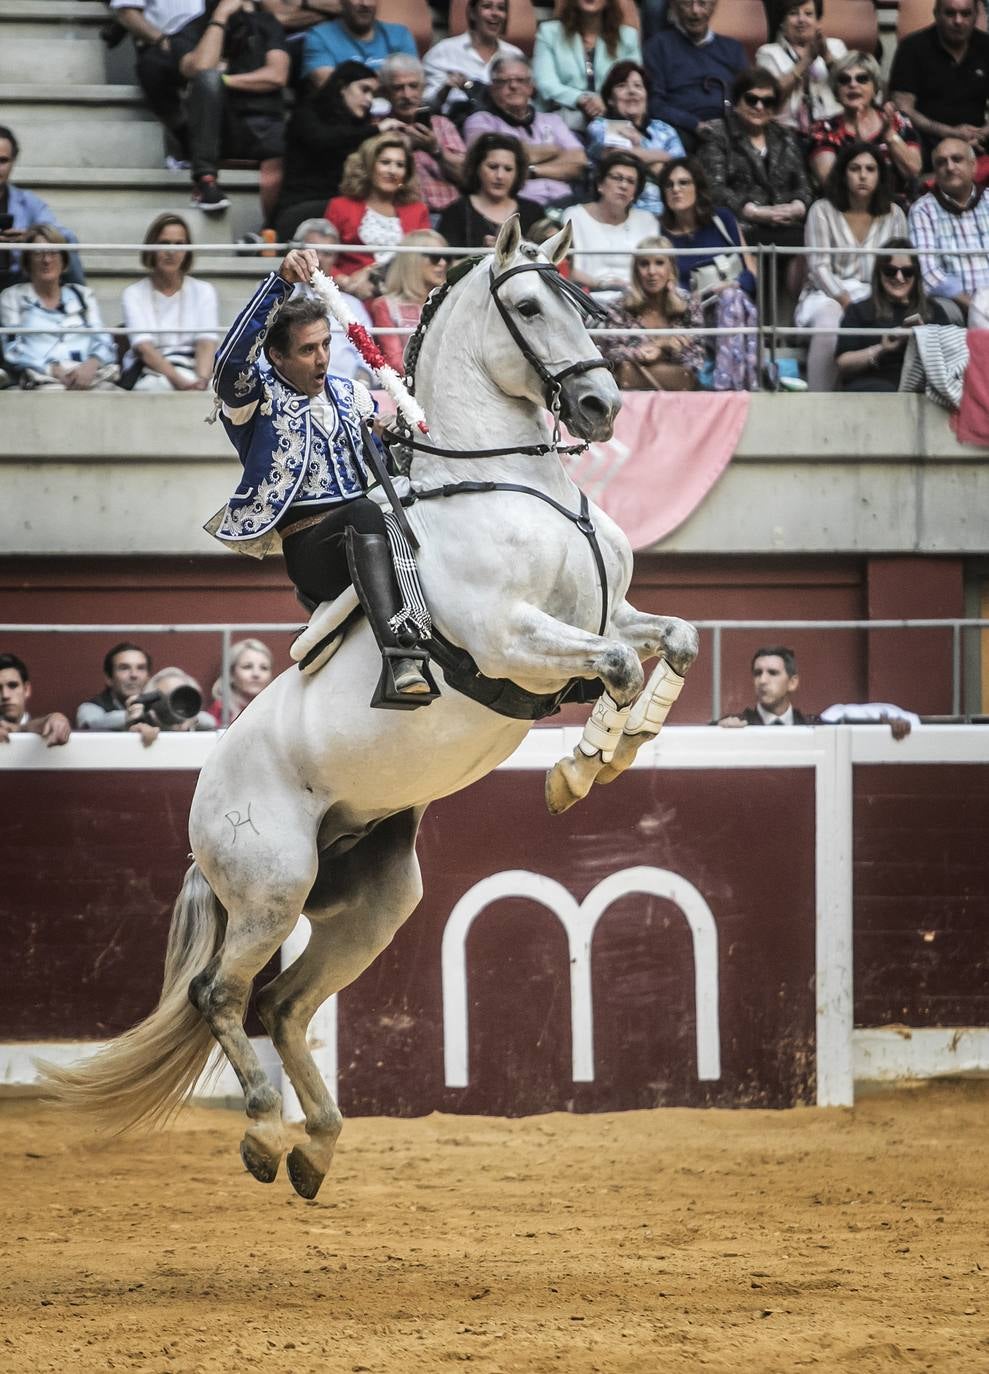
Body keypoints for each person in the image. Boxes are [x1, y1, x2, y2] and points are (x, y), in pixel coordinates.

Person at [208, 247, 434, 705]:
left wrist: (392, 444)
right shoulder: (255, 399)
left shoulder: (353, 395)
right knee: (365, 512)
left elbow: (384, 471)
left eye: (326, 345)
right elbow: (230, 363)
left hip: (367, 530)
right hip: (311, 548)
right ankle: (400, 657)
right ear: (275, 355)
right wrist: (279, 283)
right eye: (307, 350)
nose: (322, 360)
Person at [794, 142, 906, 391]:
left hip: (879, 295)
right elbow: (818, 267)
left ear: (880, 175)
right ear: (843, 174)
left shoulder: (895, 214)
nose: (863, 175)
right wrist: (847, 302)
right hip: (828, 295)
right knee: (828, 324)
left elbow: (901, 262)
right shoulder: (822, 210)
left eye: (870, 169)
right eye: (855, 168)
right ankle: (819, 402)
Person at [170, 0, 290, 216]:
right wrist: (221, 16)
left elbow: (277, 75)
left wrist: (224, 81)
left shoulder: (265, 23)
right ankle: (206, 182)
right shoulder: (187, 32)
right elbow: (200, 69)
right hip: (220, 132)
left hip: (264, 126)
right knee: (207, 79)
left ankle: (273, 228)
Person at [657, 156, 759, 390]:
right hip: (685, 311)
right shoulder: (661, 232)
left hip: (730, 304)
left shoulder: (722, 220)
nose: (676, 190)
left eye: (684, 183)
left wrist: (733, 286)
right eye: (669, 185)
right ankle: (733, 383)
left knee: (733, 299)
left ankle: (727, 384)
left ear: (697, 187)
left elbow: (751, 272)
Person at [697, 67, 811, 255]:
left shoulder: (785, 136)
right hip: (741, 226)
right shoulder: (717, 133)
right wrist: (754, 212)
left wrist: (796, 207)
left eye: (767, 102)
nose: (759, 107)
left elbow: (803, 186)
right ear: (737, 101)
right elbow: (714, 189)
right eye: (752, 100)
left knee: (806, 245)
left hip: (786, 224)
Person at [0, 225, 118, 390]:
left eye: (53, 252)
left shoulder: (83, 295)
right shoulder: (12, 297)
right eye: (38, 253)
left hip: (88, 376)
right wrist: (53, 370)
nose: (46, 260)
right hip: (41, 378)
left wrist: (91, 365)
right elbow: (13, 350)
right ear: (27, 261)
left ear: (64, 260)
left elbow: (104, 341)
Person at [462, 56, 588, 209]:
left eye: (520, 80)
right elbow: (489, 160)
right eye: (504, 81)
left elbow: (578, 161)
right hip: (518, 207)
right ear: (492, 88)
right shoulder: (480, 121)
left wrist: (530, 171)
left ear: (531, 87)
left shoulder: (552, 120)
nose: (513, 86)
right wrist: (554, 151)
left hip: (566, 203)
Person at [273, 59, 378, 242]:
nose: (369, 100)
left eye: (373, 94)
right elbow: (323, 140)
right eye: (364, 90)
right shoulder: (307, 114)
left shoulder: (363, 129)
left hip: (343, 211)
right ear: (342, 87)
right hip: (300, 208)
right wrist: (375, 130)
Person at [835, 237, 953, 392]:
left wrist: (926, 340)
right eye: (890, 271)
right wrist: (882, 349)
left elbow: (952, 358)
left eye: (907, 272)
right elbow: (843, 363)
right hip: (873, 386)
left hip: (923, 387)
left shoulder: (933, 310)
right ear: (879, 273)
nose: (899, 278)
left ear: (916, 274)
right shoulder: (859, 310)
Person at [120, 213, 220, 391]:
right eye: (164, 243)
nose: (171, 251)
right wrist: (181, 382)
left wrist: (202, 381)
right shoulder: (133, 293)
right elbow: (144, 348)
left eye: (179, 244)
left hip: (194, 368)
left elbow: (206, 343)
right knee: (155, 387)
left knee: (217, 392)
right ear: (151, 247)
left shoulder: (204, 291)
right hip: (151, 372)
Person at [324, 132, 431, 299]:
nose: (392, 171)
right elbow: (322, 258)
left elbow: (425, 261)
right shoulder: (339, 207)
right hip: (352, 295)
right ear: (368, 166)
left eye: (400, 165)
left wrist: (372, 271)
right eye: (385, 162)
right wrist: (348, 284)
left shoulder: (418, 210)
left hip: (404, 296)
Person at [808, 51, 922, 198]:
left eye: (862, 79)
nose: (853, 84)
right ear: (836, 91)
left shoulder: (897, 121)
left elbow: (913, 171)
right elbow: (830, 183)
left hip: (895, 208)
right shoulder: (824, 129)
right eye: (844, 80)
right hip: (844, 210)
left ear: (875, 87)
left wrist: (889, 135)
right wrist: (858, 147)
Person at [108, 0, 206, 168]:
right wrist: (161, 40)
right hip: (167, 41)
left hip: (218, 36)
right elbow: (127, 13)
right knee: (152, 69)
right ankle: (184, 138)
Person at [890, 0, 989, 168]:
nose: (958, 21)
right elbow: (903, 109)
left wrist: (985, 131)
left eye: (966, 14)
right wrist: (951, 134)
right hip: (928, 137)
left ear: (976, 16)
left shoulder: (986, 46)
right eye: (950, 13)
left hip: (977, 138)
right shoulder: (912, 47)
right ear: (936, 14)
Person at [598, 234, 703, 389]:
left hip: (680, 397)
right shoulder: (618, 306)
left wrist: (660, 350)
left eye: (659, 263)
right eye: (644, 264)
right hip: (629, 396)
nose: (651, 271)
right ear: (636, 270)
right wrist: (659, 348)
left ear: (671, 268)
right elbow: (611, 354)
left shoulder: (689, 305)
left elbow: (696, 360)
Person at [585, 60, 685, 218]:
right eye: (622, 86)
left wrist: (637, 149)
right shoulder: (601, 126)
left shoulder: (665, 130)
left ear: (646, 96)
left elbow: (679, 176)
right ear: (610, 99)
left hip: (667, 214)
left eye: (638, 86)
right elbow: (617, 156)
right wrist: (662, 156)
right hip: (620, 212)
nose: (632, 91)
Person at [643, 0, 747, 150]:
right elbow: (655, 104)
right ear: (675, 7)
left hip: (730, 127)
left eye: (702, 3)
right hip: (682, 130)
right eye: (687, 4)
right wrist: (693, 124)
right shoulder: (658, 46)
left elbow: (748, 94)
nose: (695, 11)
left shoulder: (733, 49)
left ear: (713, 6)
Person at [377, 54, 467, 220]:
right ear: (384, 92)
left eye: (413, 86)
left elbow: (467, 176)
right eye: (398, 88)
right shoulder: (379, 129)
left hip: (449, 214)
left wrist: (435, 149)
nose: (407, 94)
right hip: (400, 215)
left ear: (423, 88)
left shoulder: (442, 125)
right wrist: (403, 148)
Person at [908, 136, 989, 317]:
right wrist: (976, 307)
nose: (950, 167)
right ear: (935, 171)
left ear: (973, 165)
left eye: (957, 159)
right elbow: (927, 272)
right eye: (941, 163)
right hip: (957, 307)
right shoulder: (923, 210)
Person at [532, 0, 642, 132]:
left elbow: (633, 83)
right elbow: (545, 83)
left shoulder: (627, 37)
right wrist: (582, 99)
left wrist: (605, 101)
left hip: (611, 119)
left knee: (618, 148)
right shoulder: (549, 32)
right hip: (561, 119)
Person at [561, 151, 660, 297]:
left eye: (631, 181)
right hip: (588, 299)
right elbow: (567, 270)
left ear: (635, 193)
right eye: (617, 178)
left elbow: (655, 268)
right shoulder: (574, 216)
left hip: (637, 299)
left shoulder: (647, 220)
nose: (624, 185)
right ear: (600, 184)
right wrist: (603, 285)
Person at [0, 125, 83, 292]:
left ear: (13, 162)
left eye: (2, 161)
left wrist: (31, 237)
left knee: (64, 247)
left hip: (20, 280)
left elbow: (67, 237)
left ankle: (81, 305)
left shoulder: (27, 201)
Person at [293, 218, 374, 382]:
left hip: (346, 390)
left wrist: (362, 383)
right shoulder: (277, 295)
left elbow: (368, 355)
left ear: (335, 259)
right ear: (297, 252)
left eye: (327, 254)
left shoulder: (352, 304)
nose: (320, 260)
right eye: (313, 253)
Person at [755, 0, 847, 136]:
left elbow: (850, 87)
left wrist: (827, 57)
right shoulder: (768, 53)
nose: (801, 20)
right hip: (786, 133)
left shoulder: (836, 47)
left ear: (818, 21)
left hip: (833, 130)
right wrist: (806, 61)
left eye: (809, 14)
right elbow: (768, 98)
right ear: (782, 22)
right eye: (793, 14)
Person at [438, 133, 542, 249]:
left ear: (518, 173)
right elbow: (446, 264)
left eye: (508, 169)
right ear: (476, 167)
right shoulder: (456, 211)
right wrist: (481, 255)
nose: (500, 176)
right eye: (492, 167)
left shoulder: (533, 211)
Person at [422, 0, 523, 118]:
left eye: (501, 8)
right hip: (456, 127)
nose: (495, 13)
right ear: (472, 13)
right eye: (487, 6)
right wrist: (445, 90)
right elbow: (426, 104)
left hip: (506, 126)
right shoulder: (444, 52)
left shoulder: (514, 55)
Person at [368, 229, 449, 374]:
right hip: (407, 389)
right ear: (413, 261)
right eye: (435, 257)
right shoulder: (385, 305)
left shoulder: (449, 302)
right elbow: (395, 361)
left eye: (446, 257)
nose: (442, 263)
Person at [302, 0, 417, 86]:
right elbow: (331, 88)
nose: (365, 3)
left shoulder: (399, 34)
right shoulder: (320, 36)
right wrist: (390, 80)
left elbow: (411, 83)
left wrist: (351, 82)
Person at [715, 646, 816, 726]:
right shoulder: (735, 726)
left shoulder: (815, 727)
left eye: (773, 673)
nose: (762, 681)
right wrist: (719, 733)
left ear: (792, 683)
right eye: (758, 673)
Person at [75, 641, 153, 735]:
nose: (134, 675)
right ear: (109, 678)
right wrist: (127, 716)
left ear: (148, 677)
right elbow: (91, 723)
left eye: (140, 668)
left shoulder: (157, 705)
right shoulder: (90, 707)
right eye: (124, 668)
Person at [0, 653, 71, 747]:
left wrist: (53, 718)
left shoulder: (40, 725)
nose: (5, 695)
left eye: (13, 685)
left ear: (26, 690)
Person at [207, 637, 273, 722]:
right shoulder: (220, 710)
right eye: (247, 667)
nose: (256, 674)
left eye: (264, 668)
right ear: (231, 674)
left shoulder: (277, 709)